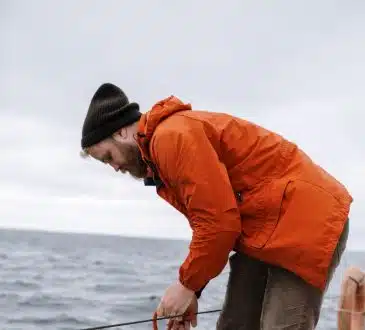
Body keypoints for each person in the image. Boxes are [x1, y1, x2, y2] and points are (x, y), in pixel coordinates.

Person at [80, 82, 353, 330]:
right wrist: (193, 292)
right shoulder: (160, 160)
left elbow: (219, 224)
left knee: (280, 325)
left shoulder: (171, 138)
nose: (114, 167)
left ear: (122, 132)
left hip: (306, 220)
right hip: (264, 228)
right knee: (235, 323)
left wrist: (186, 286)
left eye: (107, 157)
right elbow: (213, 227)